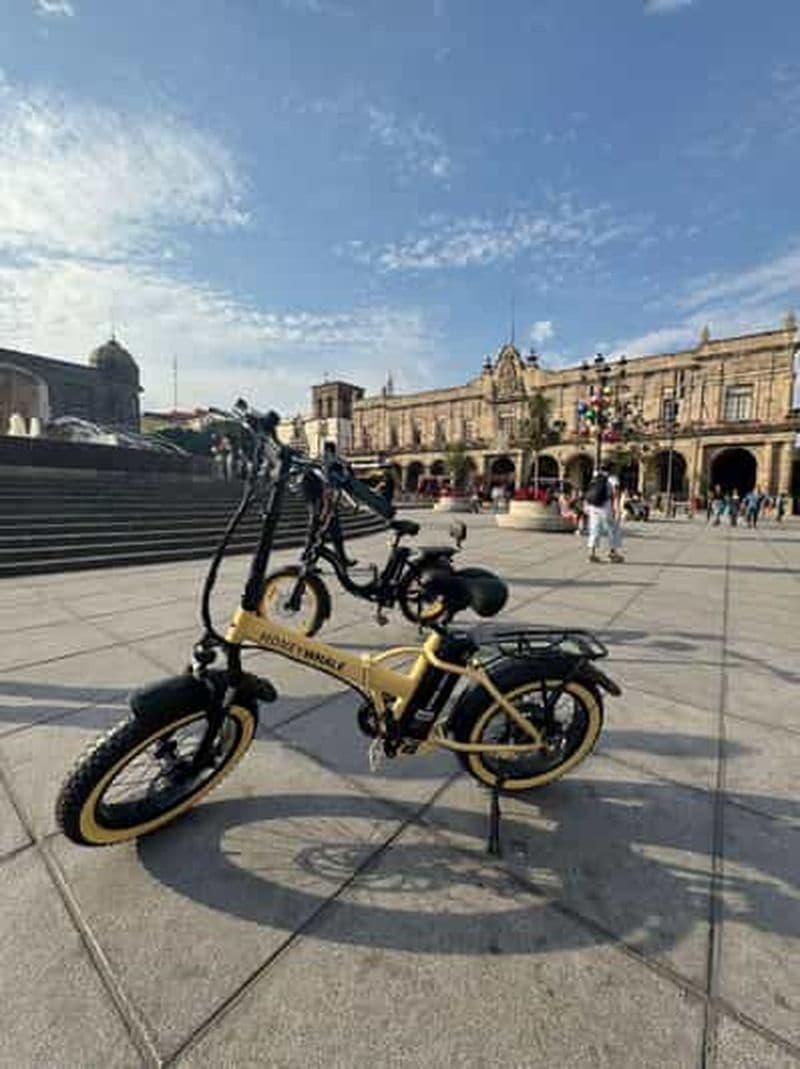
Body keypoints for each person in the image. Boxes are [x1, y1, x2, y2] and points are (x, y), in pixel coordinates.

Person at [584, 464, 623, 563]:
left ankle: (591, 554)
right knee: (612, 529)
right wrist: (617, 508)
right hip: (606, 506)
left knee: (594, 529)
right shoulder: (612, 478)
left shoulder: (595, 477)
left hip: (593, 506)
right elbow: (615, 493)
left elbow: (589, 491)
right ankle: (612, 554)